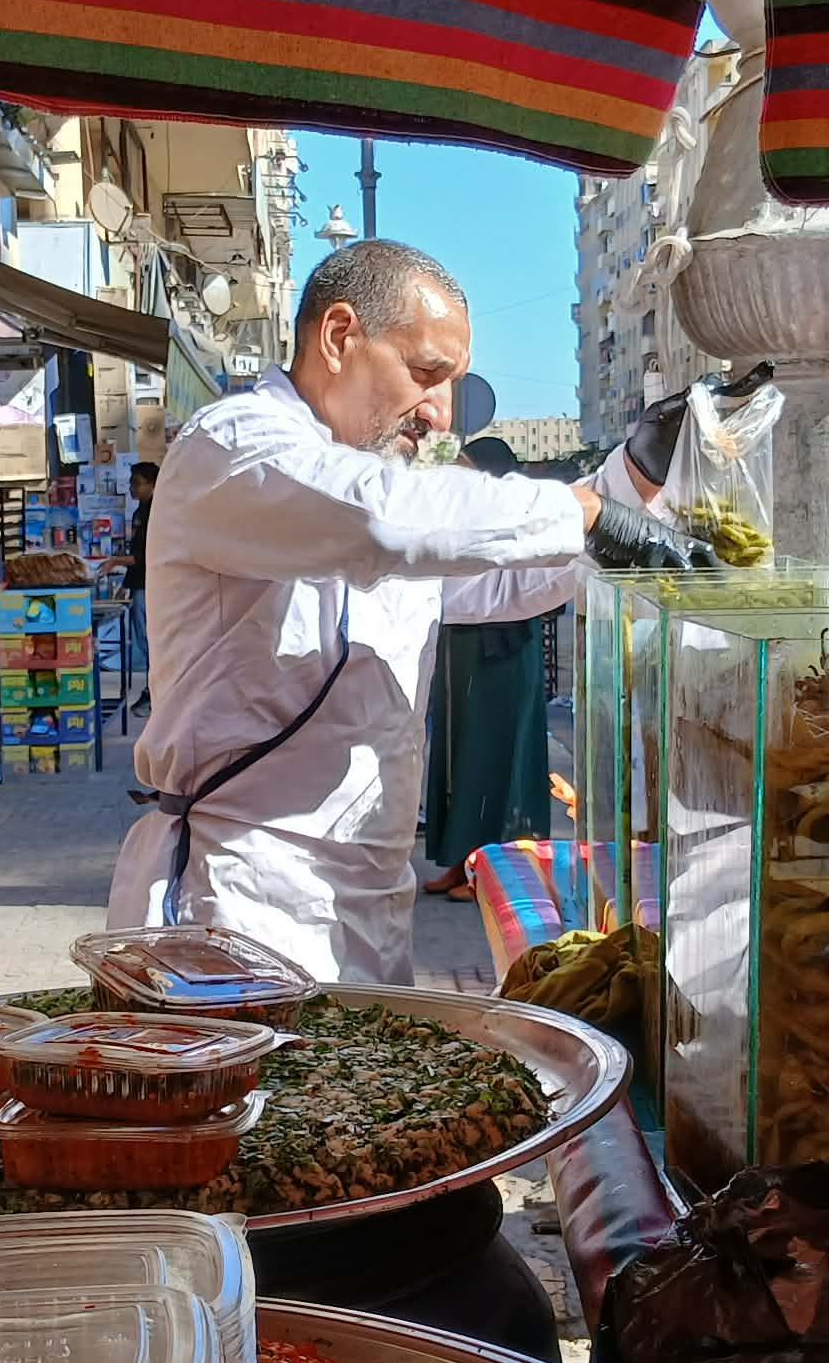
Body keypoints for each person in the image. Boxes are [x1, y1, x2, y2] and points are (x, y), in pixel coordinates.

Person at [107, 239, 676, 983]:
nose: (440, 414)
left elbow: (509, 583)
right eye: (427, 374)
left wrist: (636, 475)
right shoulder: (233, 445)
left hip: (371, 897)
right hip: (237, 893)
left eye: (454, 385)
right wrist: (587, 509)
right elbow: (379, 521)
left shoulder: (384, 482)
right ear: (340, 337)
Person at [422, 436, 552, 900]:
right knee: (457, 758)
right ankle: (459, 862)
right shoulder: (459, 524)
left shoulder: (520, 525)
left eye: (468, 469)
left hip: (503, 652)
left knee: (497, 759)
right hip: (462, 646)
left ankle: (494, 873)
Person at [102, 460, 158, 717]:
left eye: (137, 483)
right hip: (139, 584)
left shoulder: (157, 513)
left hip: (151, 586)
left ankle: (155, 692)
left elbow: (144, 556)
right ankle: (153, 689)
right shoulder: (140, 512)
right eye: (132, 483)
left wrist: (114, 561)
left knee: (149, 642)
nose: (133, 488)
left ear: (152, 484)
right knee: (143, 640)